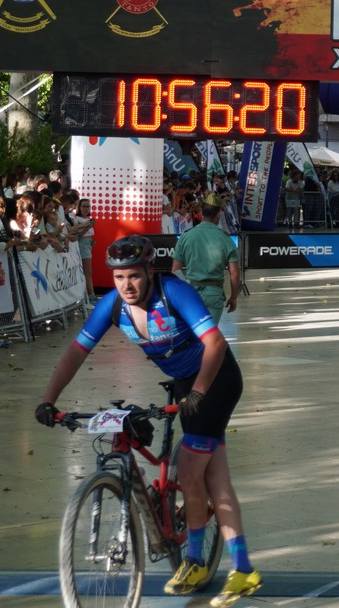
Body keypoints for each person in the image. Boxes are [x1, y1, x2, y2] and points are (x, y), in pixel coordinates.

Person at [35, 235, 260, 605]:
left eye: (134, 276)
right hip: (185, 383)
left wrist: (198, 392)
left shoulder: (174, 292)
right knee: (215, 477)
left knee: (190, 470)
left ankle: (194, 562)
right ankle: (244, 568)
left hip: (215, 378)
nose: (126, 285)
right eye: (119, 277)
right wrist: (48, 400)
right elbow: (76, 351)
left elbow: (216, 343)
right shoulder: (111, 305)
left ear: (150, 271)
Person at [172, 193, 242, 321]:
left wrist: (182, 293)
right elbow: (235, 274)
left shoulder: (186, 237)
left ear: (202, 213)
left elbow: (175, 270)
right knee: (210, 333)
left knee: (193, 332)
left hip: (191, 294)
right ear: (218, 215)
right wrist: (233, 297)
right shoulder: (226, 239)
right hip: (214, 295)